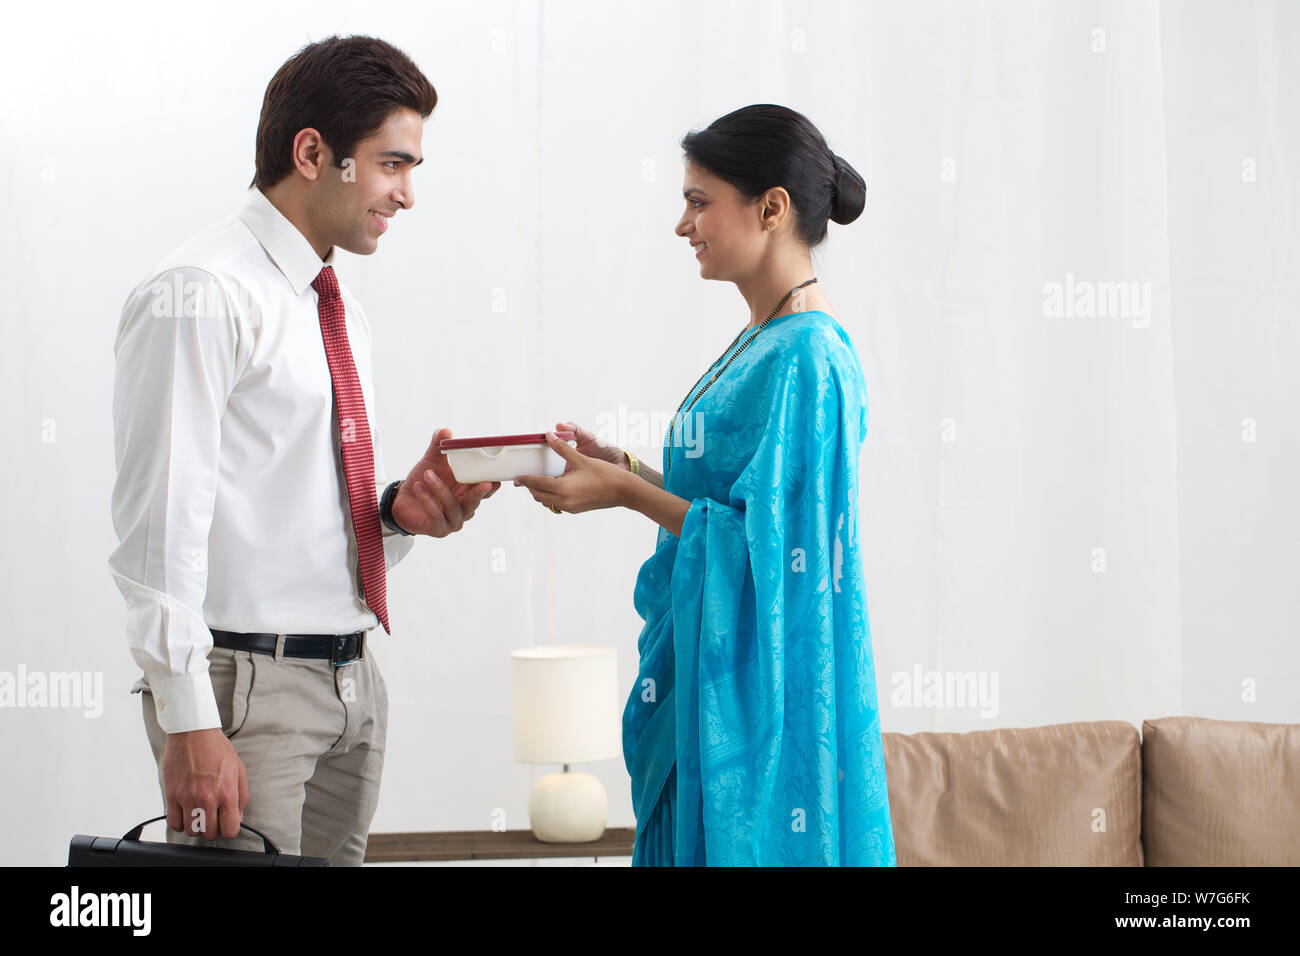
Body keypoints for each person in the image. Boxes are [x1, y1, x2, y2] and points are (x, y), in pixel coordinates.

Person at [108, 35, 498, 866]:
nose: (407, 194)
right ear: (314, 152)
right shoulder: (200, 293)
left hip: (352, 685)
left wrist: (398, 514)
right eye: (394, 164)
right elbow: (158, 526)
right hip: (243, 695)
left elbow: (296, 505)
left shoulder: (334, 303)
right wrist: (188, 718)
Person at [515, 104, 897, 866]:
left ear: (772, 207)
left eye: (698, 201)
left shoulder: (811, 357)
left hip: (757, 705)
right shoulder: (766, 338)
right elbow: (730, 510)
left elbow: (779, 559)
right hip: (697, 677)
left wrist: (624, 496)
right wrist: (626, 470)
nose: (683, 226)